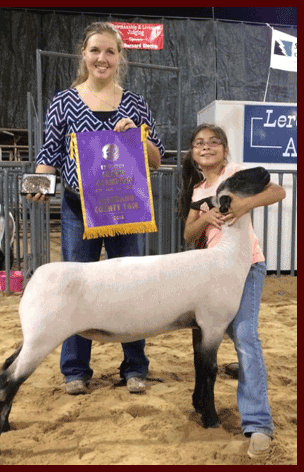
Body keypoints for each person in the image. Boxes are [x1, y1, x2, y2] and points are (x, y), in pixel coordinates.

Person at [27, 22, 165, 395]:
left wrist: (136, 133)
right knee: (76, 288)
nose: (102, 58)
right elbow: (50, 153)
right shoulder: (64, 101)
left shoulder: (135, 103)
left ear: (120, 58)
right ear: (83, 55)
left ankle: (135, 366)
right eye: (95, 51)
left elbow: (156, 158)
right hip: (78, 207)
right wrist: (39, 186)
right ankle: (75, 369)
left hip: (125, 207)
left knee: (132, 285)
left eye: (110, 51)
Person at [179, 123, 286, 459]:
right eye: (199, 143)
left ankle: (258, 423)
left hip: (245, 267)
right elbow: (188, 235)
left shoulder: (238, 173)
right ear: (193, 153)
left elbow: (277, 192)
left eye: (213, 142)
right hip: (210, 271)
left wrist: (243, 205)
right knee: (203, 335)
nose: (206, 147)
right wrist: (206, 218)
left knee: (244, 335)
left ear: (224, 149)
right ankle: (203, 400)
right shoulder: (197, 190)